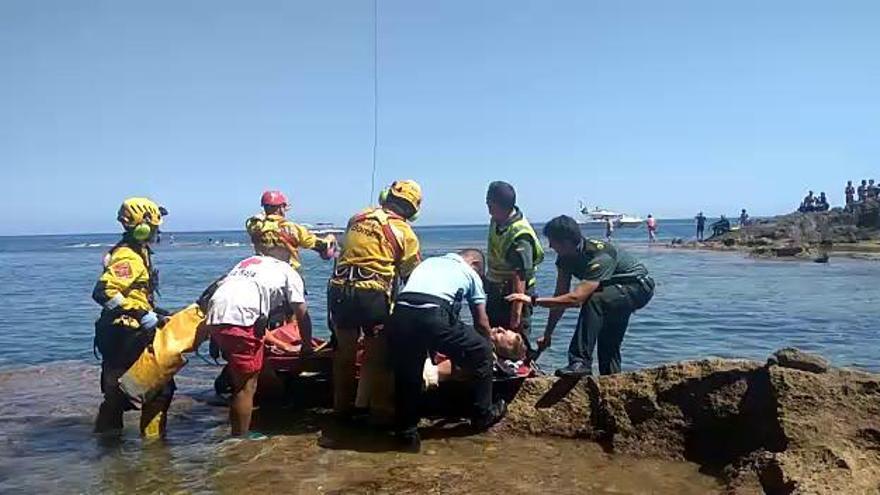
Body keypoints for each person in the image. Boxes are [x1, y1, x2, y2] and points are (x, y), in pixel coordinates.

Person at [387, 250, 506, 451]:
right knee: (482, 350)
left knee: (409, 371)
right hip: (432, 312)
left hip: (401, 313)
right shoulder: (470, 273)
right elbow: (482, 322)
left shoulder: (429, 262)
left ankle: (406, 433)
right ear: (476, 263)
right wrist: (489, 348)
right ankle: (482, 414)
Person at [507, 215, 654, 377]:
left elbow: (577, 299)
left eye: (553, 242)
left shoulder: (600, 255)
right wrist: (548, 334)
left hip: (638, 286)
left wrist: (533, 300)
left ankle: (580, 361)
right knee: (608, 345)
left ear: (567, 241)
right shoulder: (564, 259)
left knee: (594, 300)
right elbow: (561, 296)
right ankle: (611, 381)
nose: (550, 246)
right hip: (612, 292)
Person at [203, 223, 313, 437]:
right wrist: (307, 346)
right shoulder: (287, 270)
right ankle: (240, 439)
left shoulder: (247, 262)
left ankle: (272, 410)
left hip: (216, 314)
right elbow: (301, 313)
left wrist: (279, 343)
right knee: (246, 386)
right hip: (240, 319)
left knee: (260, 370)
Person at [328, 180, 422, 424]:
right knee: (378, 357)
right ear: (412, 209)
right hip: (372, 295)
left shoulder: (357, 217)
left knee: (344, 356)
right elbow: (411, 275)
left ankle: (341, 412)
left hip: (339, 290)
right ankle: (378, 415)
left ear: (386, 196)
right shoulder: (406, 233)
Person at [92, 198, 172, 438]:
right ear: (142, 227)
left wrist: (156, 313)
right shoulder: (129, 257)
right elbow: (103, 292)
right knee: (160, 390)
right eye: (155, 226)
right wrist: (138, 313)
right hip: (127, 334)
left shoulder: (138, 251)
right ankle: (154, 449)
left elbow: (135, 293)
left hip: (120, 333)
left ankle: (106, 447)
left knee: (116, 394)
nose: (158, 231)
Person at [484, 181, 544, 341]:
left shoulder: (520, 234)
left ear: (497, 205)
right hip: (496, 290)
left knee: (514, 339)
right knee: (493, 337)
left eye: (489, 203)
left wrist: (516, 315)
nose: (488, 208)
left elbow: (520, 276)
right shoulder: (497, 220)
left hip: (515, 293)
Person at [245, 190, 336, 271]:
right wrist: (329, 239)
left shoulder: (255, 226)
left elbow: (253, 221)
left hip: (264, 270)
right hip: (288, 271)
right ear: (281, 208)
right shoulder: (293, 228)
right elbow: (317, 245)